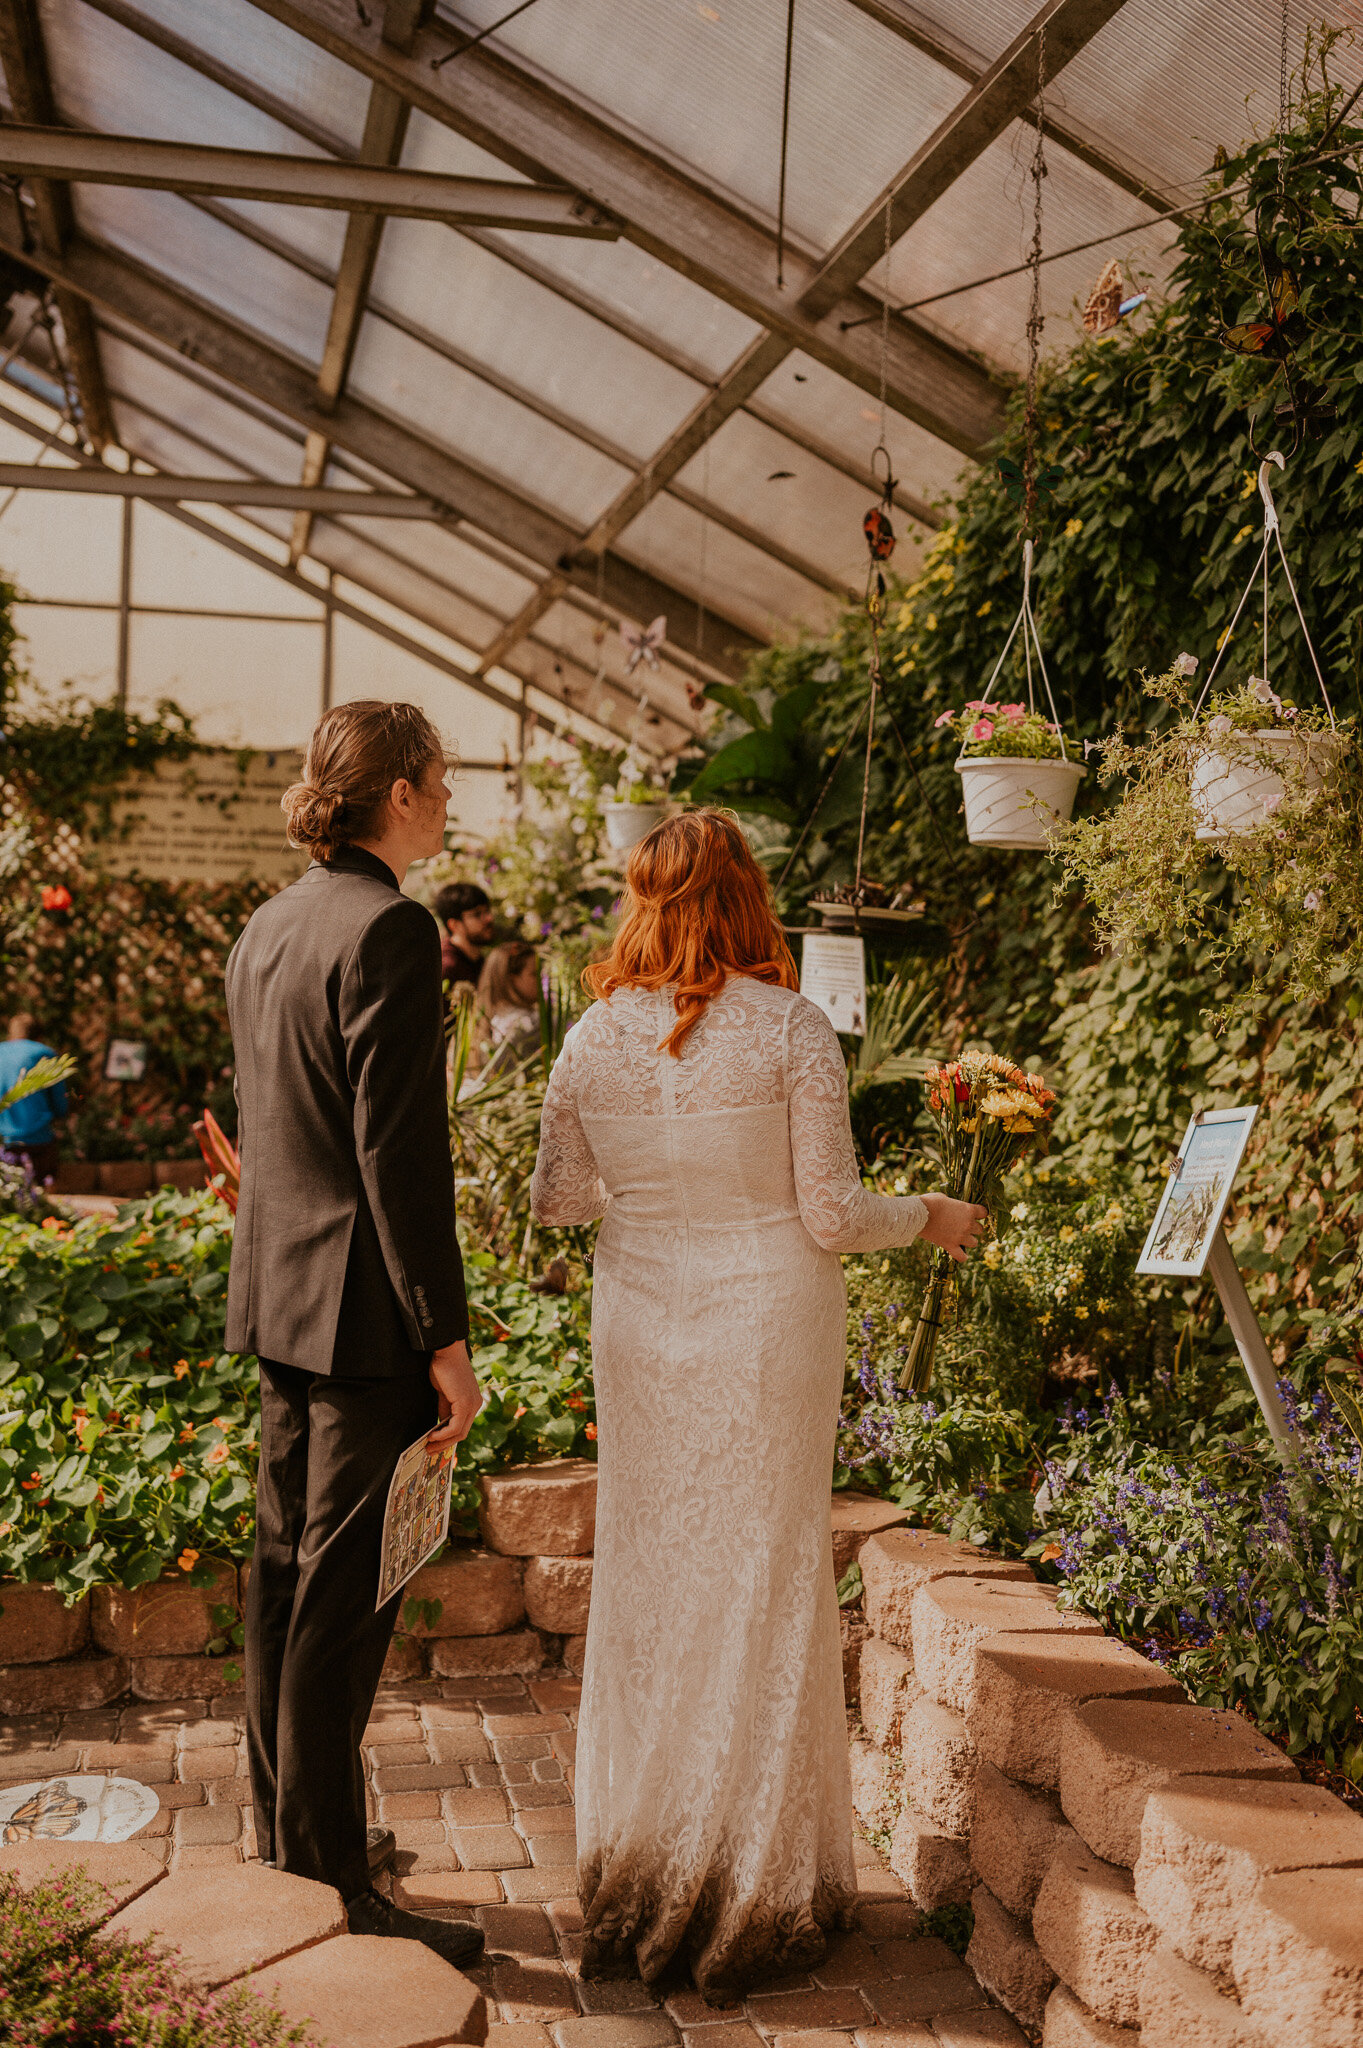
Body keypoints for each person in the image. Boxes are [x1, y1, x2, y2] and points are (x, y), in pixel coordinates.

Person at [529, 809, 985, 1999]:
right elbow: (831, 1213)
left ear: (640, 899)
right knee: (762, 1577)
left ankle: (647, 1867)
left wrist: (653, 1183)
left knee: (655, 1573)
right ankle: (747, 1883)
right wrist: (930, 1212)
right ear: (746, 899)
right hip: (767, 1327)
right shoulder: (789, 1028)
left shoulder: (586, 1037)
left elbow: (562, 1201)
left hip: (644, 1322)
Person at [225, 700, 484, 1969]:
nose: (449, 802)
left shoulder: (269, 924)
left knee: (283, 1583)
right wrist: (449, 1334)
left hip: (277, 1301)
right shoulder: (390, 925)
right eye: (440, 781)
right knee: (340, 1606)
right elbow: (399, 1155)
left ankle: (290, 1839)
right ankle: (331, 1879)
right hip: (365, 1320)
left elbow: (286, 1131)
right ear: (395, 791)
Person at [0, 1013, 68, 1185]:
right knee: (42, 1189)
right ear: (39, 1036)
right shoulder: (45, 1053)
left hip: (4, 1140)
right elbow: (60, 1102)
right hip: (38, 1140)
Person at [476, 941, 542, 1066]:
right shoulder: (521, 1024)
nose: (541, 979)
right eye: (534, 974)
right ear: (512, 979)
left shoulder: (489, 1018)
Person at [435, 881, 494, 1010]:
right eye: (477, 914)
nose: (489, 918)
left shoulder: (477, 958)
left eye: (487, 910)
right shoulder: (446, 968)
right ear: (454, 925)